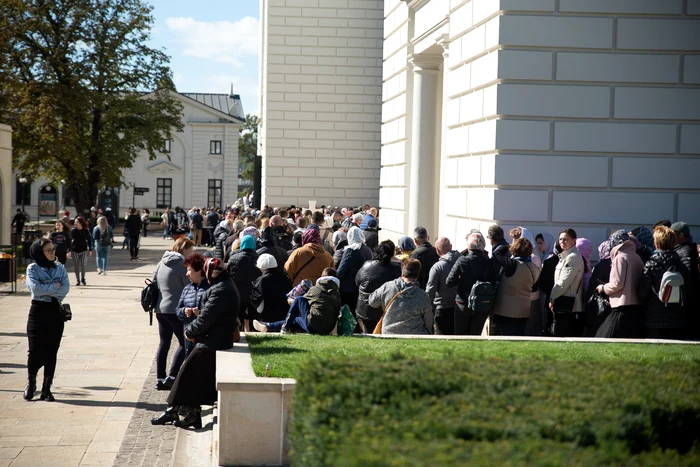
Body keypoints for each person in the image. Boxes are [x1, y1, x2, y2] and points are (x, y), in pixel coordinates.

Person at [152, 258, 238, 429]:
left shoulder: (220, 289)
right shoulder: (222, 285)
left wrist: (190, 332)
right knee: (191, 375)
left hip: (214, 341)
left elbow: (207, 317)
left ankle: (178, 410)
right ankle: (186, 412)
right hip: (213, 338)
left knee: (186, 373)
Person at [24, 238, 70, 401]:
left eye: (53, 249)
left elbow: (65, 288)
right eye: (48, 250)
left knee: (52, 351)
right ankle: (31, 384)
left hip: (55, 312)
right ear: (39, 252)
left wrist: (48, 289)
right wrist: (54, 287)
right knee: (34, 351)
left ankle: (46, 389)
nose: (52, 253)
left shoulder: (60, 268)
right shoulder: (33, 268)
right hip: (37, 312)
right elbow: (36, 289)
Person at [153, 237, 195, 390]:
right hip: (175, 309)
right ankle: (171, 377)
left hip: (160, 308)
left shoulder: (160, 263)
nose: (191, 253)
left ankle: (160, 378)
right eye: (190, 250)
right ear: (183, 249)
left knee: (164, 343)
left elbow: (154, 283)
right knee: (185, 343)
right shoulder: (181, 265)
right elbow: (190, 284)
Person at [638, 226, 691, 340]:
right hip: (677, 317)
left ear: (657, 242)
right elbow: (688, 290)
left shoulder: (651, 264)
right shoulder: (681, 265)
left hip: (654, 317)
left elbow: (642, 293)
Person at [253, 267, 341, 335]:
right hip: (327, 329)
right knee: (294, 319)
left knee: (299, 299)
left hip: (313, 326)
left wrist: (292, 301)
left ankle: (285, 327)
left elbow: (300, 301)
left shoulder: (315, 289)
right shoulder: (337, 294)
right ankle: (267, 326)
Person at [594, 230, 645, 338]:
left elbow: (617, 283)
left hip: (621, 306)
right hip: (635, 306)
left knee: (605, 337)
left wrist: (603, 288)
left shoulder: (620, 257)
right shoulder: (636, 257)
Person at [446, 232, 498, 335]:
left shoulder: (462, 261)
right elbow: (493, 282)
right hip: (481, 304)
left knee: (460, 336)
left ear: (469, 245)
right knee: (476, 335)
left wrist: (461, 279)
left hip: (463, 303)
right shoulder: (489, 262)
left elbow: (449, 282)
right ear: (483, 246)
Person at [489, 238, 540, 336]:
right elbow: (534, 289)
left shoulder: (512, 264)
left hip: (505, 311)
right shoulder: (535, 268)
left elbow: (496, 254)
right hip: (524, 311)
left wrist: (508, 246)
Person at [369, 259, 433, 335]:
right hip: (415, 334)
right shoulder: (423, 296)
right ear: (418, 275)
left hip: (388, 332)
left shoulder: (387, 287)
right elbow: (428, 320)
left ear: (402, 273)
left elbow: (372, 302)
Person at [355, 240, 402, 334]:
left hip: (365, 309)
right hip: (385, 309)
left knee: (368, 333)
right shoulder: (396, 269)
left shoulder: (366, 265)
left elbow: (357, 281)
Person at [549, 229, 585, 337]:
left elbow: (563, 282)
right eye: (560, 239)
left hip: (566, 302)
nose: (562, 242)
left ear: (574, 241)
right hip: (562, 301)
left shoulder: (572, 257)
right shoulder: (565, 256)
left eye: (565, 239)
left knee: (561, 334)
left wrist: (552, 298)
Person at [175, 253, 210, 358]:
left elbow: (215, 312)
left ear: (199, 271)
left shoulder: (210, 288)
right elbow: (177, 311)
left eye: (189, 270)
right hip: (188, 337)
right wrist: (184, 311)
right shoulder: (187, 289)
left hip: (204, 338)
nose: (186, 274)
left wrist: (200, 313)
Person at [670, 222, 699, 339]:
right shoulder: (682, 249)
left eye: (673, 234)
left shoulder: (685, 250)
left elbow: (688, 274)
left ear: (681, 235)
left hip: (687, 298)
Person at [426, 237, 460, 335]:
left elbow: (430, 291)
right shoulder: (462, 261)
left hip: (442, 308)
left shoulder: (437, 267)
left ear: (437, 249)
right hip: (459, 307)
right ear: (451, 247)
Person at [227, 235, 261, 332]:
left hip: (238, 292)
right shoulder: (258, 258)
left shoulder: (233, 257)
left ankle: (240, 330)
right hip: (253, 292)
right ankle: (251, 330)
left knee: (239, 314)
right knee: (252, 315)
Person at [337, 226, 373, 315]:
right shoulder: (368, 249)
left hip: (348, 288)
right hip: (363, 287)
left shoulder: (350, 250)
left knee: (348, 314)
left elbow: (341, 271)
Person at [250, 254, 292, 324]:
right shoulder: (284, 277)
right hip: (283, 313)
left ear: (261, 267)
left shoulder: (262, 280)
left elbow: (255, 298)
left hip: (267, 314)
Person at [69, 217, 92, 286]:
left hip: (84, 250)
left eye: (77, 222)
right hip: (75, 251)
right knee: (76, 266)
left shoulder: (86, 231)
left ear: (81, 223)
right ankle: (78, 280)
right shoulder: (73, 231)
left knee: (83, 265)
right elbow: (69, 241)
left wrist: (90, 249)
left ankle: (83, 278)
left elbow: (90, 240)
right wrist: (69, 250)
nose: (75, 223)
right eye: (75, 222)